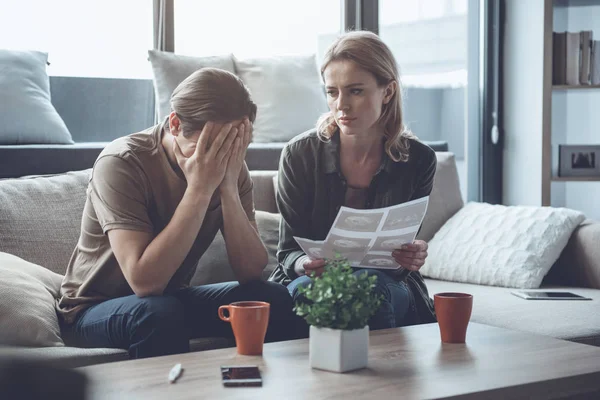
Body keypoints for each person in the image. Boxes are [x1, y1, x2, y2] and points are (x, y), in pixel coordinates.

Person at [57, 68, 302, 359]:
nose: (219, 159)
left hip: (167, 301)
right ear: (175, 123)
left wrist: (227, 187)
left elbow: (251, 272)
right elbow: (145, 282)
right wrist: (199, 189)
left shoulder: (231, 166)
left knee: (272, 298)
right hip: (93, 310)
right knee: (157, 313)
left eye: (232, 147)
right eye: (209, 147)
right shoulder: (122, 162)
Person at [269, 31, 437, 329]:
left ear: (387, 92)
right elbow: (287, 252)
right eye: (332, 92)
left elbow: (398, 264)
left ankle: (379, 375)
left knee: (367, 287)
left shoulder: (418, 160)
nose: (341, 105)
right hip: (310, 281)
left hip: (384, 283)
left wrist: (409, 257)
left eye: (355, 91)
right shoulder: (300, 155)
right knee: (308, 293)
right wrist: (303, 264)